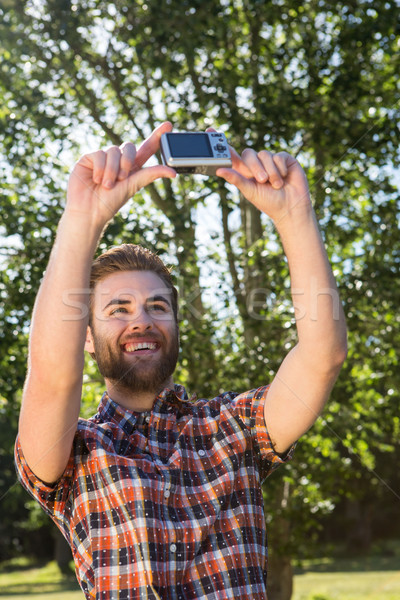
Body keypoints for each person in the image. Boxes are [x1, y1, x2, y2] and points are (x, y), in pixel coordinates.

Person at [15, 121, 347, 600]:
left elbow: (323, 355)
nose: (141, 320)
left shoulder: (236, 428)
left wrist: (295, 215)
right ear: (85, 338)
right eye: (118, 309)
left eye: (157, 306)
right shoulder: (76, 455)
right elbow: (51, 376)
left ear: (174, 324)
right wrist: (83, 219)